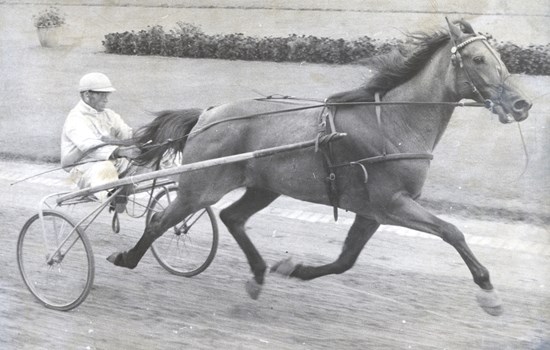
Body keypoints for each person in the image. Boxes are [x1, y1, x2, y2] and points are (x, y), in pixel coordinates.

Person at [60, 72, 141, 211]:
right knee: (105, 167)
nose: (106, 99)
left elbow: (127, 134)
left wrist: (148, 136)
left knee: (146, 159)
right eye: (102, 94)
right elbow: (89, 146)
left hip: (110, 166)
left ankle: (122, 188)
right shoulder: (76, 119)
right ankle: (113, 197)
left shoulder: (108, 114)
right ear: (87, 95)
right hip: (80, 171)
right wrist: (120, 150)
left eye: (107, 94)